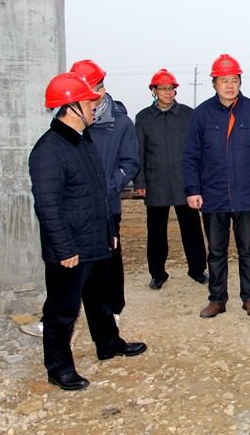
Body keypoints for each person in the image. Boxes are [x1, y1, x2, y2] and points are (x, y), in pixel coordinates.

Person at [29, 73, 146, 391]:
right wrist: (64, 249)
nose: (94, 106)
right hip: (70, 249)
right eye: (88, 102)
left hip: (95, 240)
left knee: (99, 300)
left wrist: (109, 231)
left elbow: (98, 194)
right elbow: (48, 207)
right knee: (62, 311)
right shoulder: (49, 150)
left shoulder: (83, 140)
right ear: (71, 108)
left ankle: (109, 344)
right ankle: (59, 369)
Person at [183, 53, 250, 319]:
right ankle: (217, 299)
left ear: (240, 82)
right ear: (214, 83)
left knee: (248, 250)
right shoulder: (201, 114)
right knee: (216, 251)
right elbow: (191, 155)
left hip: (247, 195)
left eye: (234, 80)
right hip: (213, 195)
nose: (229, 85)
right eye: (224, 80)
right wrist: (193, 190)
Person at [70, 59, 140, 319]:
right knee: (73, 258)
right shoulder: (70, 121)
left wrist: (107, 187)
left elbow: (130, 162)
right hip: (75, 205)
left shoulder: (119, 123)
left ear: (101, 89)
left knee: (109, 256)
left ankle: (113, 308)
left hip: (107, 204)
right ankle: (72, 307)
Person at [134, 69, 208, 290]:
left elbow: (198, 149)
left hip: (185, 183)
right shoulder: (143, 118)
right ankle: (157, 273)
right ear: (154, 91)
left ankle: (197, 269)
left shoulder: (188, 115)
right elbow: (139, 152)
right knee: (156, 232)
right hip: (156, 183)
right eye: (163, 88)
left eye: (171, 88)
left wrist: (198, 181)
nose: (168, 92)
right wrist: (140, 182)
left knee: (192, 229)